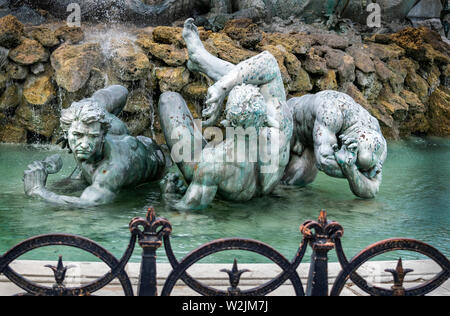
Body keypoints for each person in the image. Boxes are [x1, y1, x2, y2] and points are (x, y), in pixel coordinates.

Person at [158, 19, 293, 210]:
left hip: (221, 183)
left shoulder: (213, 162)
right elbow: (268, 63)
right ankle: (202, 60)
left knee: (169, 99)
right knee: (245, 78)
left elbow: (187, 212)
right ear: (264, 112)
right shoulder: (281, 126)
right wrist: (223, 88)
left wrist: (168, 194)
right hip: (265, 187)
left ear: (226, 122)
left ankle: (202, 61)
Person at [23, 85, 166, 207]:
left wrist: (38, 191)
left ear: (104, 135)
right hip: (124, 144)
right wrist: (90, 103)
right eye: (78, 135)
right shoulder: (99, 120)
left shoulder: (113, 169)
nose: (84, 144)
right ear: (66, 133)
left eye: (93, 136)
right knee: (64, 184)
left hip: (156, 160)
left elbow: (88, 204)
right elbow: (121, 90)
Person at [283, 91, 387, 199]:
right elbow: (324, 161)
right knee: (270, 177)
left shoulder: (377, 144)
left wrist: (350, 168)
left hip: (313, 141)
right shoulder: (331, 110)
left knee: (295, 182)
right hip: (290, 120)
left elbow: (372, 191)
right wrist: (351, 170)